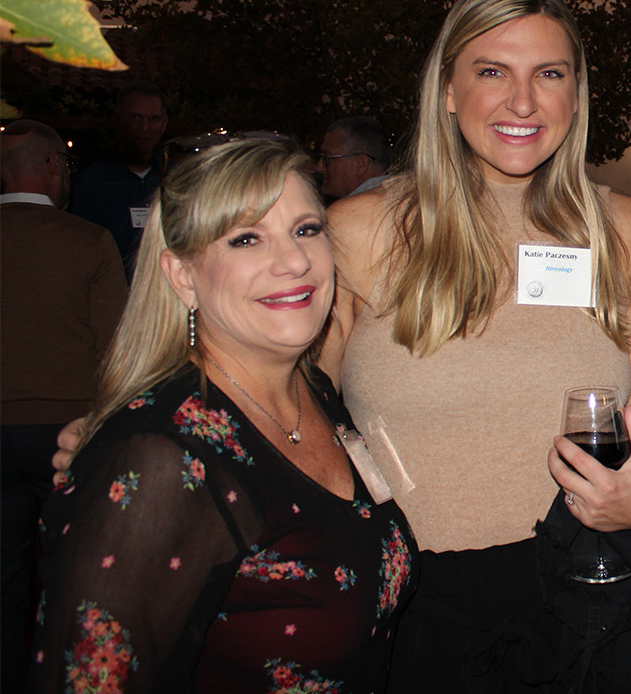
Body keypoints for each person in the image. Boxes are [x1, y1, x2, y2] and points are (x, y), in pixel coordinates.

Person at [323, 0, 631, 692]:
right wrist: (143, 433)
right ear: (448, 90)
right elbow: (279, 409)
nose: (522, 102)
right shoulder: (361, 233)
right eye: (492, 71)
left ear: (576, 96)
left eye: (548, 75)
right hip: (413, 614)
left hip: (582, 612)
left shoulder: (625, 234)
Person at [31, 138, 418, 693]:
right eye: (246, 238)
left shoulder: (317, 395)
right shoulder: (161, 461)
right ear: (183, 275)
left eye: (307, 229)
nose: (294, 261)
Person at [0, 122, 126, 690]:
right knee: (72, 579)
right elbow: (117, 347)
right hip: (68, 435)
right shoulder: (87, 241)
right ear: (53, 164)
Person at [70, 82, 169, 278]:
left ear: (164, 124)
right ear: (117, 121)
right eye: (135, 118)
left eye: (154, 119)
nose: (144, 127)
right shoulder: (92, 184)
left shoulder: (174, 181)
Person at [316, 116, 393, 201]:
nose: (319, 167)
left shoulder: (352, 210)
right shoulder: (399, 198)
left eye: (327, 158)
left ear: (360, 164)